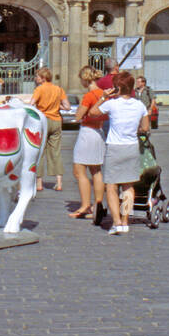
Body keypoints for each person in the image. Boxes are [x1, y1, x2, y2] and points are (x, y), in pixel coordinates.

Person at [94, 71, 150, 235]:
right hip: (131, 147)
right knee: (128, 186)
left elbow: (93, 112)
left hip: (115, 147)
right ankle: (125, 221)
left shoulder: (112, 104)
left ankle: (116, 222)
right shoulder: (139, 105)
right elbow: (145, 128)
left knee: (111, 186)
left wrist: (104, 96)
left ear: (117, 87)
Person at [69, 65, 107, 222]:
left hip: (87, 133)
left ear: (85, 79)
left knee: (79, 170)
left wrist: (76, 112)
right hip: (99, 132)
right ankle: (97, 205)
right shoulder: (104, 95)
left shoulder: (89, 96)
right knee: (96, 170)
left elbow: (78, 116)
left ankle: (85, 205)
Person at [30, 67, 71, 191]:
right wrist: (57, 107)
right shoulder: (59, 89)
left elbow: (31, 104)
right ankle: (59, 183)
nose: (35, 78)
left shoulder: (39, 89)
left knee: (40, 152)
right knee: (56, 152)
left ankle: (39, 183)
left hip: (42, 121)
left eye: (37, 76)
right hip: (56, 121)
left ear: (42, 78)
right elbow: (68, 107)